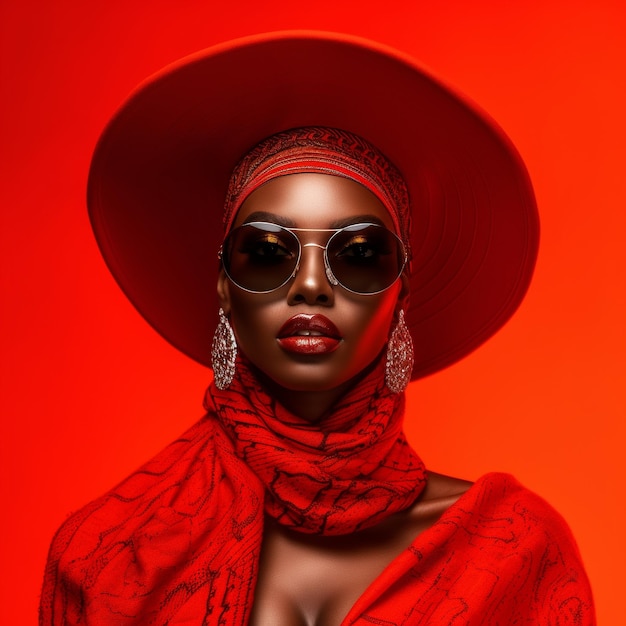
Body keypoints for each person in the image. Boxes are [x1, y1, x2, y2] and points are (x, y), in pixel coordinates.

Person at [39, 32, 595, 625]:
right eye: (267, 251)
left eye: (358, 253)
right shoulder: (108, 556)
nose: (309, 285)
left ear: (403, 290)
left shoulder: (517, 552)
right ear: (224, 285)